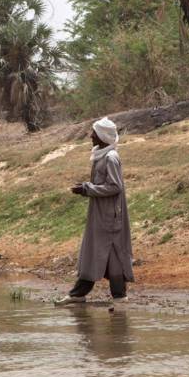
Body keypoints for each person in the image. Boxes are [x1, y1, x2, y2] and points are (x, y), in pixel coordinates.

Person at [55, 117, 134, 305]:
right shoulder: (102, 155)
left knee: (108, 252)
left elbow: (115, 187)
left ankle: (91, 294)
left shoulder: (111, 158)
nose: (90, 136)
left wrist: (87, 189)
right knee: (98, 251)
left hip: (111, 216)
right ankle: (83, 294)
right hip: (101, 213)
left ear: (102, 136)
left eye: (94, 133)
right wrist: (86, 188)